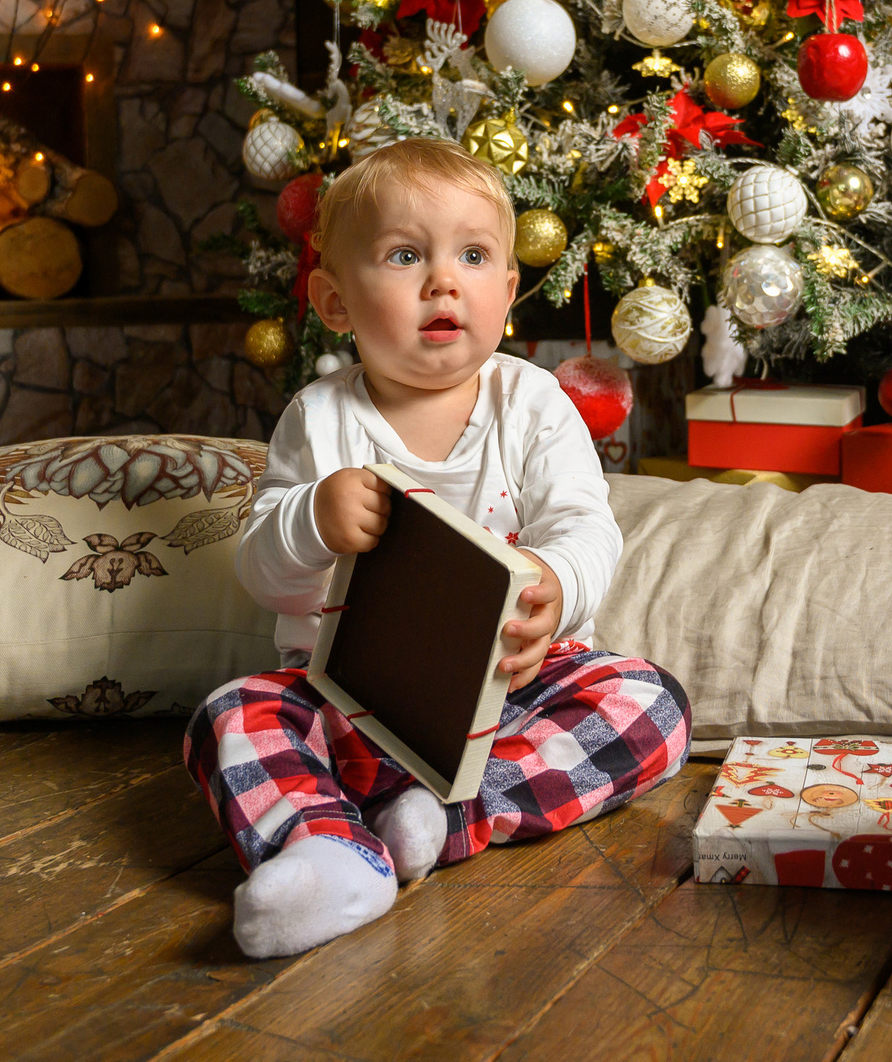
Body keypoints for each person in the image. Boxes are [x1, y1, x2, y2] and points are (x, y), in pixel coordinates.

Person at [184, 137, 691, 958]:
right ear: (335, 301)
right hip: (351, 708)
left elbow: (586, 527)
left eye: (474, 256)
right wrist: (312, 519)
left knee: (651, 703)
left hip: (515, 700)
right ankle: (328, 853)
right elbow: (262, 574)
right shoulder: (320, 420)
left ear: (509, 290)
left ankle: (451, 815)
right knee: (232, 714)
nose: (443, 281)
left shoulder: (531, 402)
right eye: (405, 255)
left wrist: (555, 585)